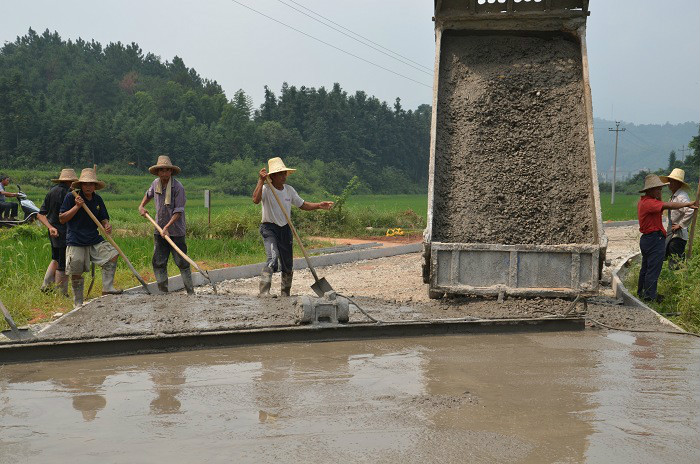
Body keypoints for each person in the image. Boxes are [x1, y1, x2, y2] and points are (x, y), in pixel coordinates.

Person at [252, 157, 334, 297]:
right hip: (269, 228)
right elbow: (255, 199)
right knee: (272, 257)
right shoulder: (266, 189)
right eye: (280, 174)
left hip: (285, 228)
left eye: (284, 173)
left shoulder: (289, 190)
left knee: (288, 264)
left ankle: (285, 293)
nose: (284, 176)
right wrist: (260, 181)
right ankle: (264, 291)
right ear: (272, 176)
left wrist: (319, 205)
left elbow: (303, 205)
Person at [59, 168, 121, 308]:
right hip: (76, 239)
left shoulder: (97, 199)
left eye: (91, 184)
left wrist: (106, 225)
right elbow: (62, 218)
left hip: (93, 238)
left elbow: (103, 217)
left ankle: (107, 288)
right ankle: (78, 301)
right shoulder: (71, 197)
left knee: (112, 255)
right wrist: (77, 206)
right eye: (86, 184)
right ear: (81, 185)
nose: (88, 187)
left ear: (95, 186)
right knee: (76, 270)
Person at [636, 174, 698, 302]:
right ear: (651, 190)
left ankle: (642, 292)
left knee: (646, 267)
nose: (661, 191)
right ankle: (650, 297)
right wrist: (688, 204)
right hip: (654, 239)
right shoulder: (650, 203)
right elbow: (668, 205)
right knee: (653, 268)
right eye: (658, 189)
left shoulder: (644, 201)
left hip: (648, 239)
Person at [138, 155, 194, 295]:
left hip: (175, 231)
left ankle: (191, 292)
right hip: (159, 229)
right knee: (159, 262)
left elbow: (178, 211)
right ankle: (163, 293)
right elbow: (149, 194)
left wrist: (167, 227)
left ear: (171, 171)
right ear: (158, 172)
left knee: (182, 262)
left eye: (167, 170)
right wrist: (142, 206)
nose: (164, 173)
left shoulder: (178, 187)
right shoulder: (155, 183)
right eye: (161, 170)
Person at [36, 168, 78, 296]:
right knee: (62, 262)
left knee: (55, 258)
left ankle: (46, 286)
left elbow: (40, 214)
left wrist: (50, 227)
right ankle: (61, 293)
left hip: (53, 230)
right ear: (71, 182)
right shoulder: (69, 194)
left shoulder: (51, 191)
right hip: (63, 231)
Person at [659, 168, 695, 269]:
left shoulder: (681, 196)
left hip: (678, 235)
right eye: (670, 181)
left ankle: (678, 279)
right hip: (673, 233)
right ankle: (676, 278)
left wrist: (681, 225)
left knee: (675, 259)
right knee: (672, 256)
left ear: (679, 184)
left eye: (673, 181)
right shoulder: (674, 196)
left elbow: (690, 210)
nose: (670, 183)